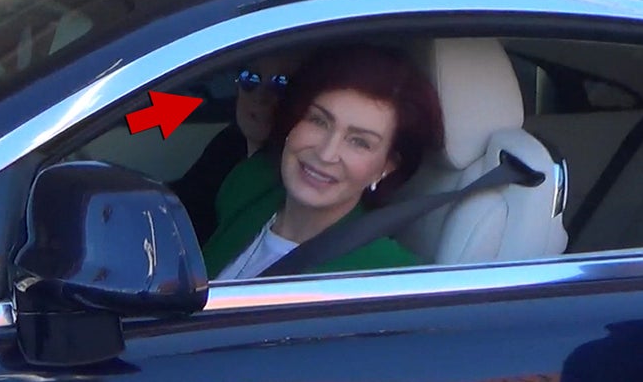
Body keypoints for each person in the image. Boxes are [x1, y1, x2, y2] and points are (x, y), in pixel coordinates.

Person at [202, 43, 445, 280]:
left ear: (386, 167)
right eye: (319, 121)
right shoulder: (250, 182)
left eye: (359, 142)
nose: (326, 154)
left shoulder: (390, 276)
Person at [170, 54, 301, 244]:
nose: (260, 96)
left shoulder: (290, 184)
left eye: (281, 83)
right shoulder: (230, 142)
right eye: (250, 79)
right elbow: (184, 198)